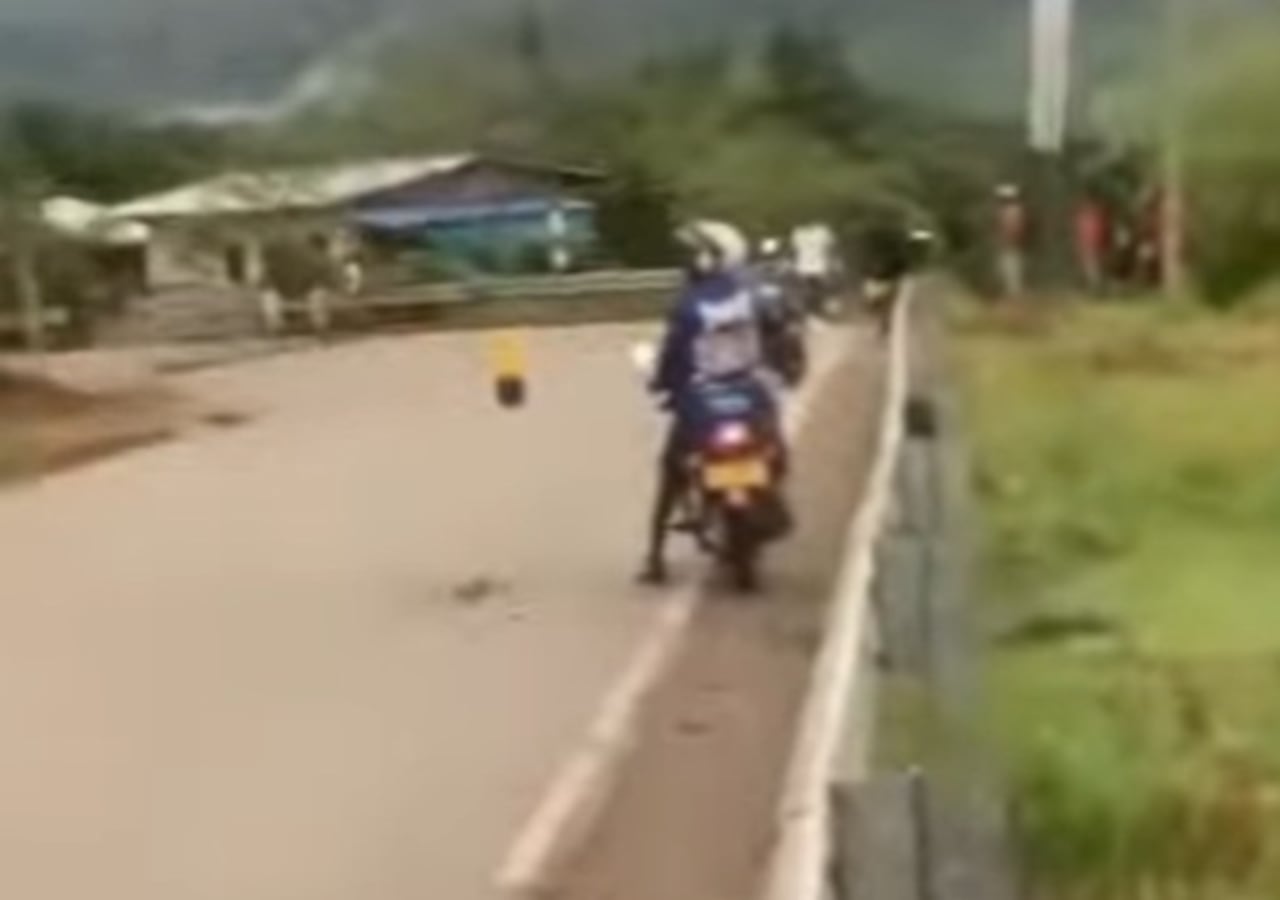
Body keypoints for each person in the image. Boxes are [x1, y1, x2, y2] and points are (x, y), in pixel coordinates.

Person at [638, 221, 784, 585]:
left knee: (671, 470)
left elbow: (673, 358)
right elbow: (778, 332)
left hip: (702, 401)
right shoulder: (752, 296)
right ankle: (767, 505)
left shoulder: (688, 306)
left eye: (693, 255)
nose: (687, 263)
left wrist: (661, 384)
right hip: (750, 395)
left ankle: (655, 557)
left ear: (709, 258)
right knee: (775, 451)